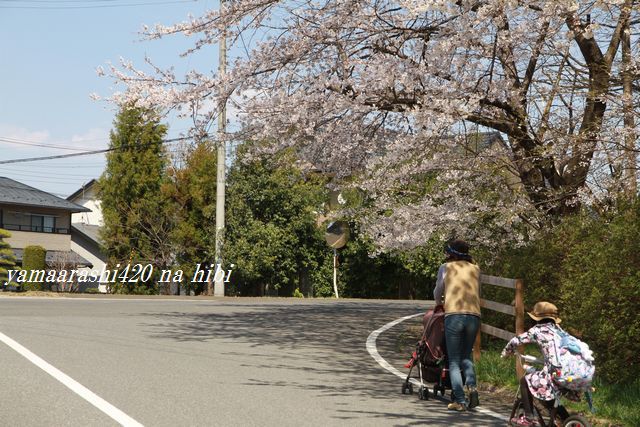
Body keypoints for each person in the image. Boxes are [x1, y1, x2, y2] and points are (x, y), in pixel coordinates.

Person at [501, 301, 567, 427]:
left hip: (554, 373)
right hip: (570, 373)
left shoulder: (537, 330)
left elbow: (516, 340)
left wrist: (506, 352)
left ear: (537, 318)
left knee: (525, 381)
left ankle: (529, 417)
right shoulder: (559, 330)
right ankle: (568, 420)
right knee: (549, 393)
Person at [433, 239, 481, 411]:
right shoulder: (475, 269)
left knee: (453, 360)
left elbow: (438, 290)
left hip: (454, 315)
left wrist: (438, 303)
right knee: (466, 356)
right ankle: (473, 388)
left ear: (451, 253)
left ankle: (460, 401)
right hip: (474, 315)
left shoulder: (446, 268)